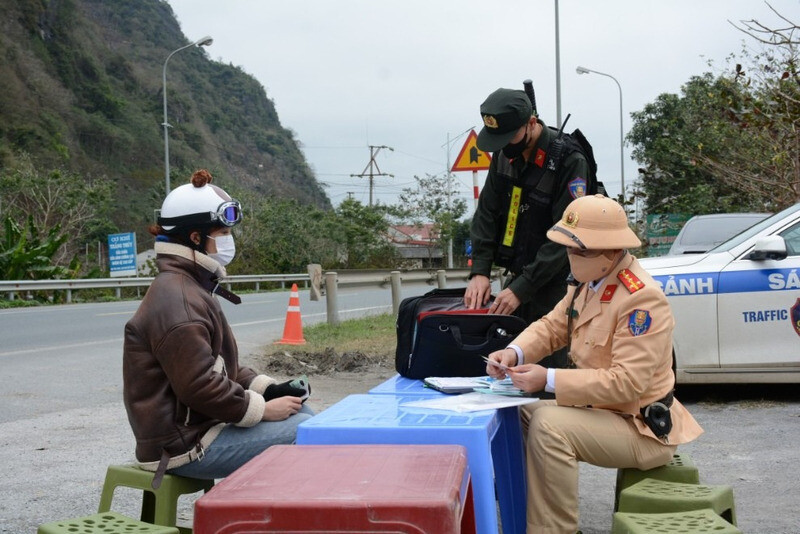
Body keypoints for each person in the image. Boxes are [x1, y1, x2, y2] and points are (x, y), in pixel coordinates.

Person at [485, 194, 703, 534]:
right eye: (569, 249)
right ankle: (520, 511)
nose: (571, 257)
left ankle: (555, 529)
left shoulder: (641, 298)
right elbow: (552, 326)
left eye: (581, 251)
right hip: (604, 413)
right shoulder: (590, 283)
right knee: (516, 413)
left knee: (548, 424)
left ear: (612, 251)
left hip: (639, 427)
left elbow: (628, 383)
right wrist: (514, 352)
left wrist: (548, 379)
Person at [123, 169, 313, 484]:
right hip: (182, 445)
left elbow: (218, 366)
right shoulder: (179, 300)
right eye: (222, 233)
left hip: (199, 429)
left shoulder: (190, 286)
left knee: (302, 415)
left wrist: (268, 390)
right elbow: (199, 386)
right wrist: (262, 410)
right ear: (196, 238)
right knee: (306, 431)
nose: (228, 241)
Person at [465, 87, 593, 370]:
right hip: (521, 277)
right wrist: (480, 271)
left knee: (546, 370)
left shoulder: (569, 160)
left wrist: (522, 288)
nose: (503, 146)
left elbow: (566, 236)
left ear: (531, 124)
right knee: (506, 365)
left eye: (508, 137)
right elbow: (486, 213)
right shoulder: (504, 155)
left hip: (558, 282)